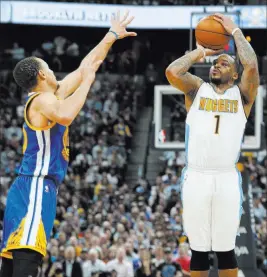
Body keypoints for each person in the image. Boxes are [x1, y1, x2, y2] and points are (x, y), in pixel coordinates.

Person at [0, 11, 137, 277]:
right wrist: (87, 83)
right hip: (36, 185)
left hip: (35, 186)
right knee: (28, 257)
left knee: (13, 263)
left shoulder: (52, 95)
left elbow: (88, 63)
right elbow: (66, 113)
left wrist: (111, 36)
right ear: (41, 74)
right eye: (49, 68)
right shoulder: (42, 101)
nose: (53, 71)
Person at [165, 13, 259, 277]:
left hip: (227, 176)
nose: (216, 65)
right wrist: (198, 53)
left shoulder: (242, 95)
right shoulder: (197, 89)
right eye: (214, 63)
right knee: (199, 248)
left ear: (235, 73)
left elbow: (251, 65)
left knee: (226, 248)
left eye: (223, 63)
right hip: (197, 175)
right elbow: (172, 72)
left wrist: (236, 31)